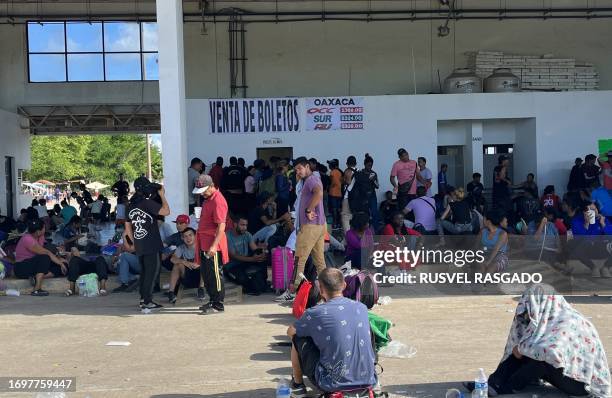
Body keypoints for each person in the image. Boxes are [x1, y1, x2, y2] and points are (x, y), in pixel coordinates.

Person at [464, 284, 610, 397]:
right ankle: (492, 384)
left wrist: (522, 349)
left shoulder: (568, 321)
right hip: (566, 374)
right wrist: (521, 348)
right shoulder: (552, 317)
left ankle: (505, 387)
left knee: (538, 357)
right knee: (525, 349)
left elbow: (553, 354)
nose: (528, 313)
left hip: (581, 386)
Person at [287, 268, 377, 397]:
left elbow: (290, 331)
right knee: (367, 329)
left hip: (331, 382)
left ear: (321, 289)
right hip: (369, 379)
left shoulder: (314, 313)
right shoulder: (361, 307)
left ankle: (298, 385)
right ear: (344, 285)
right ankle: (370, 376)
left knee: (298, 336)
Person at [277, 157, 326, 303]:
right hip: (319, 225)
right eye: (296, 169)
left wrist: (308, 209)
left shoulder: (311, 180)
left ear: (307, 166)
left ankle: (291, 291)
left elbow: (318, 193)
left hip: (310, 226)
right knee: (320, 262)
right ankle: (328, 292)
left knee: (299, 260)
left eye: (299, 168)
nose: (297, 171)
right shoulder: (307, 180)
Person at [123, 177, 170, 311]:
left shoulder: (130, 206)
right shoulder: (147, 203)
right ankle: (147, 302)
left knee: (144, 272)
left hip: (140, 244)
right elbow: (166, 211)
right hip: (152, 244)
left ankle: (143, 299)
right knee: (152, 272)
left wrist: (133, 244)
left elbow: (127, 229)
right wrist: (162, 195)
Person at [193, 174, 229, 314]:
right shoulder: (208, 199)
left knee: (215, 275)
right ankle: (213, 300)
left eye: (204, 191)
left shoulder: (218, 200)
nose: (202, 194)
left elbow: (221, 226)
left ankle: (218, 304)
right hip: (204, 242)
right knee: (207, 274)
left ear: (211, 186)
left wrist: (214, 246)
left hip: (213, 244)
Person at [14, 219, 68, 296]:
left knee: (64, 266)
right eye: (44, 228)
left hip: (35, 265)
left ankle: (37, 277)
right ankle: (37, 289)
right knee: (45, 257)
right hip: (22, 267)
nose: (45, 229)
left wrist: (61, 263)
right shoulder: (27, 239)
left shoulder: (40, 236)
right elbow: (46, 252)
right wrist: (59, 262)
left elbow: (47, 250)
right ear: (38, 231)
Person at [225, 217, 269, 295]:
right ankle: (252, 288)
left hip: (244, 262)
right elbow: (233, 255)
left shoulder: (247, 234)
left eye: (246, 225)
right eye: (242, 225)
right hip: (231, 266)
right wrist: (252, 259)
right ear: (235, 225)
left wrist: (262, 252)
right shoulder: (227, 236)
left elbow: (254, 248)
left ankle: (264, 283)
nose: (245, 227)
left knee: (262, 259)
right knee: (242, 279)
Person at [167, 227, 205, 304]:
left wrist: (199, 264)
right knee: (177, 265)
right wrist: (185, 262)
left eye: (190, 235)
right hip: (187, 278)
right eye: (185, 236)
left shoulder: (202, 246)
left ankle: (201, 289)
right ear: (182, 238)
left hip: (202, 278)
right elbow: (172, 259)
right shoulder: (181, 247)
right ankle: (171, 292)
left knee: (205, 264)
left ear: (195, 236)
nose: (188, 238)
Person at [362, 154, 381, 229]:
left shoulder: (373, 173)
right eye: (368, 165)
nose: (370, 167)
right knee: (364, 213)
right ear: (365, 164)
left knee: (374, 213)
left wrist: (373, 181)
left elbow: (377, 186)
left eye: (371, 165)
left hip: (372, 196)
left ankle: (376, 231)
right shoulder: (361, 173)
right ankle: (365, 230)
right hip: (363, 196)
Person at [341, 155, 358, 234]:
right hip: (357, 198)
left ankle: (348, 238)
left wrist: (343, 180)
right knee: (354, 218)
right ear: (356, 163)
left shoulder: (347, 171)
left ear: (347, 163)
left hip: (348, 197)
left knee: (345, 217)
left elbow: (348, 182)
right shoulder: (359, 171)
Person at [327, 159, 343, 229]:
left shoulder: (332, 172)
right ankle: (339, 224)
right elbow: (342, 181)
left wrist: (329, 187)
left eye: (329, 165)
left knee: (333, 209)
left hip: (333, 193)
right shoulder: (340, 172)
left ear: (331, 166)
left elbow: (332, 182)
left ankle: (335, 223)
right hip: (339, 193)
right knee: (338, 209)